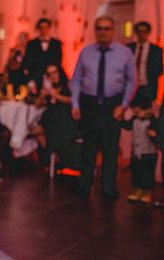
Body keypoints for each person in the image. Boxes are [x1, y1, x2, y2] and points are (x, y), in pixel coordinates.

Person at [71, 16, 137, 200]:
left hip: (112, 105)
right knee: (88, 147)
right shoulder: (86, 52)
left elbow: (132, 82)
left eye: (106, 28)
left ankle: (108, 187)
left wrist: (123, 106)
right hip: (89, 103)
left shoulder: (124, 53)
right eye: (99, 28)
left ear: (113, 30)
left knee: (110, 148)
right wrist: (75, 103)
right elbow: (76, 79)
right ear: (95, 30)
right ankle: (84, 184)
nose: (102, 32)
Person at [34, 63, 81, 170]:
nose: (53, 76)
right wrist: (42, 96)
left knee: (51, 123)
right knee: (37, 131)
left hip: (67, 119)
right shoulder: (48, 88)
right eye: (49, 74)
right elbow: (37, 105)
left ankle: (56, 157)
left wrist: (56, 96)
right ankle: (53, 156)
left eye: (55, 72)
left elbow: (74, 101)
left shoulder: (69, 85)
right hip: (51, 119)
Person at [124, 97, 158, 204]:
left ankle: (147, 191)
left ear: (147, 110)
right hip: (136, 152)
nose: (136, 114)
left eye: (138, 112)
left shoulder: (153, 121)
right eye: (134, 112)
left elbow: (158, 136)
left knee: (148, 173)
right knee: (136, 172)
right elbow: (127, 126)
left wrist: (154, 135)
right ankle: (137, 190)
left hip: (149, 153)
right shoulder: (134, 119)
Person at [127, 21, 163, 105]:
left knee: (148, 113)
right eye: (139, 31)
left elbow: (160, 68)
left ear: (148, 32)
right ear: (136, 33)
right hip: (131, 86)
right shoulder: (129, 48)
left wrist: (151, 75)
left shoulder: (156, 50)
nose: (141, 34)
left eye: (144, 31)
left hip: (148, 87)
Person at [23, 18, 63, 91]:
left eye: (46, 27)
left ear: (49, 28)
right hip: (36, 77)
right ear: (38, 29)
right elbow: (27, 61)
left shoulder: (56, 43)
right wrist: (30, 79)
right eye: (41, 27)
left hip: (51, 77)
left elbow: (58, 61)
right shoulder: (31, 44)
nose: (44, 30)